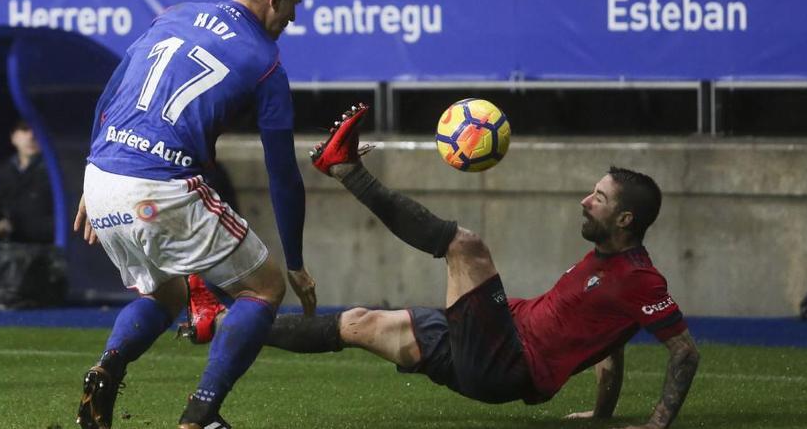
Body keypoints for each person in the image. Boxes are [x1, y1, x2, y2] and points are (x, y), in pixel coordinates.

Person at [248, 105, 699, 427]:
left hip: (506, 361)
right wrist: (602, 414)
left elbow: (684, 351)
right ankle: (228, 324)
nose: (584, 201)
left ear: (625, 220)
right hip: (490, 342)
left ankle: (345, 169)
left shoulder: (640, 278)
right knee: (358, 323)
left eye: (597, 199)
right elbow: (608, 340)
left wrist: (657, 424)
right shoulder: (606, 264)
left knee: (465, 247)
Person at [73, 0, 316, 429]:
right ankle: (201, 414)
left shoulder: (174, 14)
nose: (287, 23)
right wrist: (295, 262)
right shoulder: (265, 60)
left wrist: (94, 173)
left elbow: (111, 93)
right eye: (289, 12)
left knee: (165, 294)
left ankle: (107, 369)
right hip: (159, 185)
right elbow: (282, 173)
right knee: (264, 287)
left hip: (102, 172)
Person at [0, 120, 53, 244]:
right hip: (9, 250)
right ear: (13, 137)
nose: (31, 135)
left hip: (45, 252)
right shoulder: (3, 171)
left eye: (37, 129)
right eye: (24, 129)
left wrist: (16, 227)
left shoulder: (55, 175)